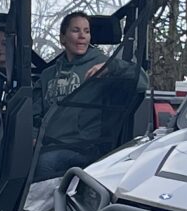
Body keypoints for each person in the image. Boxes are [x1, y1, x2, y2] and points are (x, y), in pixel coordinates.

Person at [31, 10, 146, 177]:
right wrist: (33, 136)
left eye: (87, 31)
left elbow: (142, 80)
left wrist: (110, 67)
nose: (82, 36)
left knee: (45, 162)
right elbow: (35, 113)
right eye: (75, 30)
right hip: (47, 144)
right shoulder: (48, 75)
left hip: (84, 148)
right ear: (63, 38)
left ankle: (43, 204)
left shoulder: (104, 64)